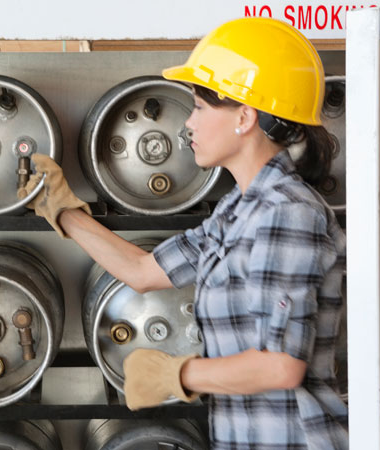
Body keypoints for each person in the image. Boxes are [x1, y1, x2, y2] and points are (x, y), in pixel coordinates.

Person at [18, 17, 348, 450]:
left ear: (244, 116)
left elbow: (280, 367)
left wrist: (177, 373)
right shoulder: (239, 208)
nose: (187, 124)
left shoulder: (286, 214)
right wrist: (63, 210)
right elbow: (142, 270)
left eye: (199, 107)